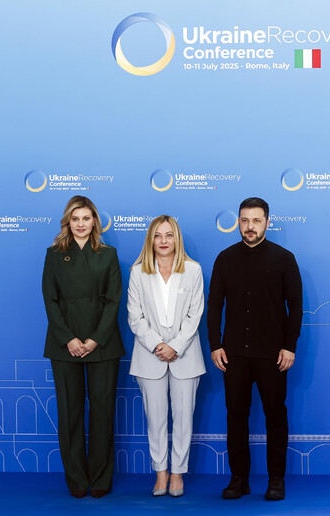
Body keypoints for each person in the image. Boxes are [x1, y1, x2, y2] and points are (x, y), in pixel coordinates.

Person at [207, 197, 303, 501]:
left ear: (267, 223)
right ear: (238, 222)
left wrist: (289, 346)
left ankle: (276, 480)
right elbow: (214, 305)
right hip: (233, 354)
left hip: (273, 354)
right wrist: (215, 345)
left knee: (276, 415)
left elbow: (296, 306)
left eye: (256, 221)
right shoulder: (225, 259)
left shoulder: (284, 259)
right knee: (236, 416)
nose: (250, 226)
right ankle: (239, 479)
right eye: (245, 220)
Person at [42, 195, 124, 499]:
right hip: (64, 344)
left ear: (94, 222)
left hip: (102, 343)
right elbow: (49, 299)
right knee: (70, 412)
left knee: (103, 412)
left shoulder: (108, 254)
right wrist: (69, 338)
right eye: (75, 219)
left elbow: (114, 299)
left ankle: (101, 477)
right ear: (67, 222)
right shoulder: (54, 254)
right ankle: (76, 478)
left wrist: (94, 339)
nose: (80, 224)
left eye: (86, 218)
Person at [128, 215, 206, 497]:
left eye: (169, 235)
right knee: (156, 420)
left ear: (177, 239)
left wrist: (176, 346)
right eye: (158, 235)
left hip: (186, 357)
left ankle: (177, 474)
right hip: (150, 358)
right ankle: (160, 473)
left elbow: (195, 314)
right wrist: (158, 345)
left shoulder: (193, 270)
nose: (163, 241)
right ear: (150, 239)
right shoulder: (138, 272)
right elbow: (135, 317)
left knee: (184, 420)